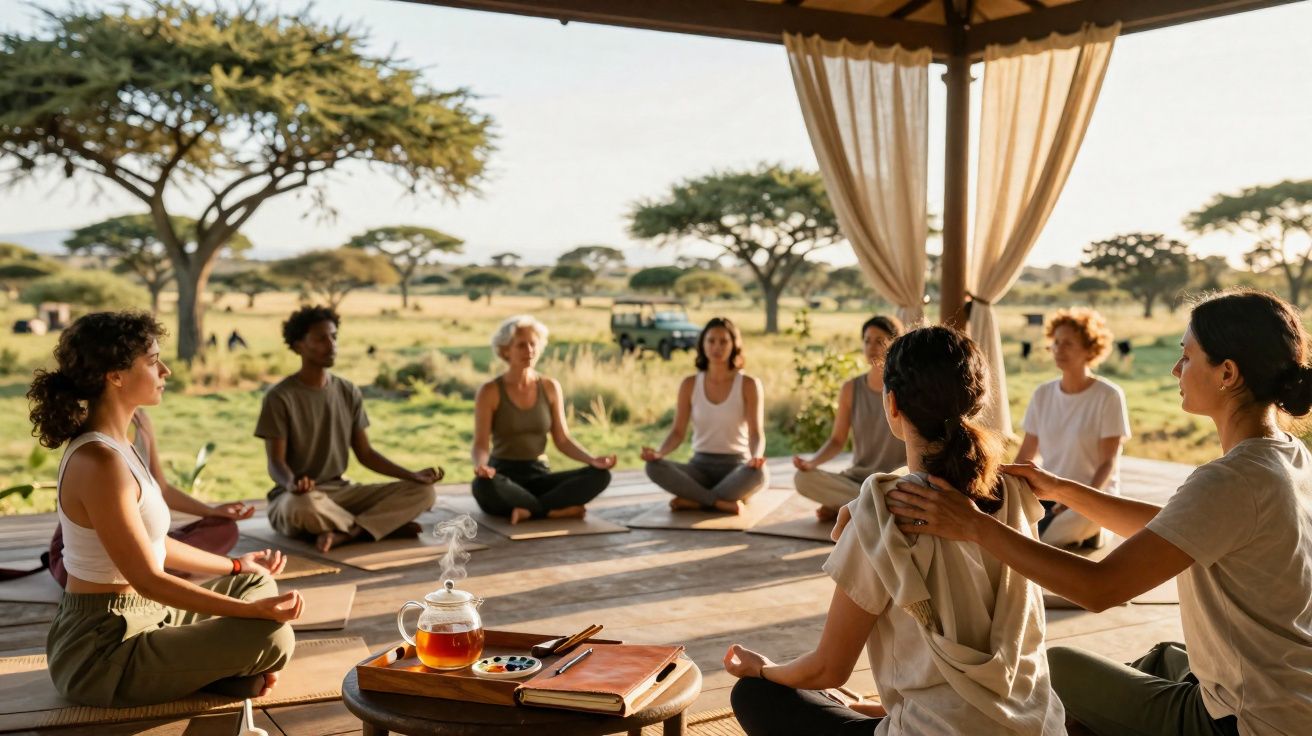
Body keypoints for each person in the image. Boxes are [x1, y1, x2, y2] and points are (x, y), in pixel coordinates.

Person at [887, 289, 1312, 735]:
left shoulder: (1230, 480)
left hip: (1249, 722)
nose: (1175, 369)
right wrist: (1062, 488)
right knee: (1163, 659)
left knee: (1058, 669)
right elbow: (1172, 527)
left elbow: (1099, 588)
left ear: (1227, 373)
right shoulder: (1287, 456)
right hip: (1293, 699)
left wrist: (975, 526)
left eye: (1187, 357)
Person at [725, 326, 1063, 735]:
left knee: (754, 694)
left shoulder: (881, 515)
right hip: (1037, 725)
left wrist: (762, 668)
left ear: (892, 403)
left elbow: (828, 669)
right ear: (976, 400)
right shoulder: (1015, 492)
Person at [29, 311, 299, 707]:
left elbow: (154, 544)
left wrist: (237, 565)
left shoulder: (122, 446)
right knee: (273, 635)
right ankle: (216, 672)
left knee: (254, 582)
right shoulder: (98, 461)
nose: (166, 371)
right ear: (115, 376)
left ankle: (211, 671)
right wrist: (254, 614)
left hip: (151, 614)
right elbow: (149, 579)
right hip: (103, 649)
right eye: (153, 361)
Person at [256, 306, 440, 552]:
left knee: (425, 493)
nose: (331, 345)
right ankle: (378, 527)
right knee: (303, 507)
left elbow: (366, 454)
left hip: (341, 492)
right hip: (298, 498)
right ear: (299, 346)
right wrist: (291, 484)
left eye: (334, 337)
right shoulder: (279, 397)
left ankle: (349, 532)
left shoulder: (347, 390)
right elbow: (275, 462)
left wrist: (412, 476)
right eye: (321, 339)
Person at [46, 408, 253, 586]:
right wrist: (235, 566)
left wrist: (212, 511)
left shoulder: (141, 421)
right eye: (154, 370)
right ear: (116, 378)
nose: (164, 376)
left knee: (225, 528)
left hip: (138, 543)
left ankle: (173, 568)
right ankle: (175, 569)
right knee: (147, 557)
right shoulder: (97, 446)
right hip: (82, 562)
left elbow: (161, 488)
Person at [471, 315, 615, 524]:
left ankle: (529, 510)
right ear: (505, 350)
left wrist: (592, 460)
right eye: (521, 345)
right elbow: (480, 445)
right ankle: (551, 509)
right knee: (482, 485)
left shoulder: (550, 387)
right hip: (503, 476)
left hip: (540, 475)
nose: (529, 350)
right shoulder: (490, 391)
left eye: (533, 344)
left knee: (601, 476)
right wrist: (482, 467)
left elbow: (562, 440)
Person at [1014, 308, 1130, 548]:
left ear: (1090, 349)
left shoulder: (1109, 396)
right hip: (1049, 492)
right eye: (1056, 342)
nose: (1059, 349)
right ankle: (1069, 532)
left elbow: (1108, 463)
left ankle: (1091, 531)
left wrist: (1081, 500)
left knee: (1041, 541)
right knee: (1008, 521)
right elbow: (1025, 455)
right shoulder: (1042, 394)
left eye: (1068, 343)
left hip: (1094, 495)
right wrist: (1007, 489)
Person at [643, 317, 768, 514]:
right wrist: (659, 453)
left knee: (758, 474)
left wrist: (756, 457)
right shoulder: (689, 384)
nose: (717, 347)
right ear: (702, 344)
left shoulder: (749, 384)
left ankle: (696, 500)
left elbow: (755, 433)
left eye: (723, 341)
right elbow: (677, 432)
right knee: (652, 467)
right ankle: (718, 502)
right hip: (699, 468)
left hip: (736, 467)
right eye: (711, 341)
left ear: (734, 345)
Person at [793, 316, 906, 521]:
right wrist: (812, 463)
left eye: (879, 341)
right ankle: (862, 508)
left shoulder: (906, 388)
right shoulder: (851, 388)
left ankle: (849, 507)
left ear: (894, 344)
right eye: (867, 340)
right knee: (802, 478)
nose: (871, 347)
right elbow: (837, 440)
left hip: (893, 484)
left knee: (896, 498)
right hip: (857, 480)